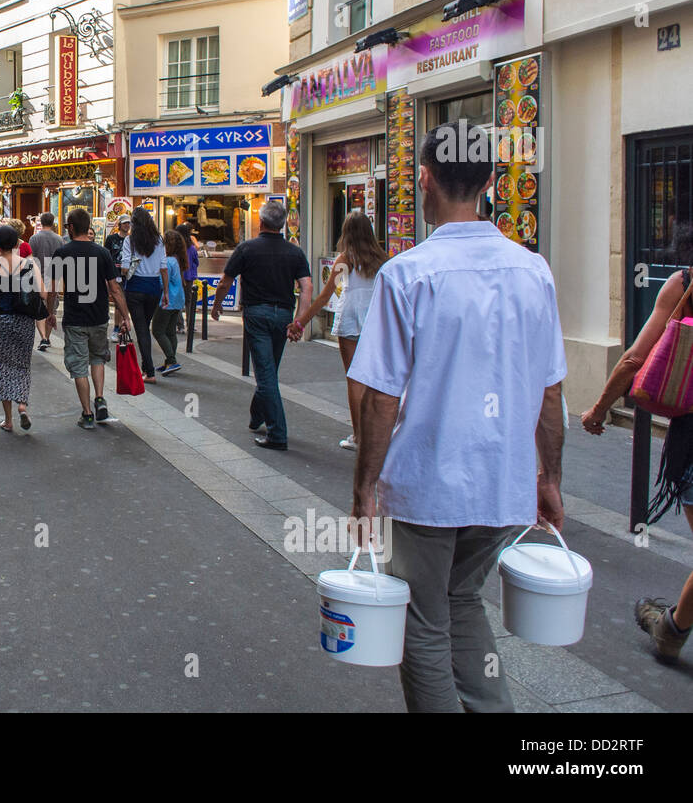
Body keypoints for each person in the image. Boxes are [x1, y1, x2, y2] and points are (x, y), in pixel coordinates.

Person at [347, 122, 567, 713]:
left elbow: (380, 398)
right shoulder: (534, 272)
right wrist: (548, 479)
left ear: (424, 178)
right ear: (491, 181)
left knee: (421, 620)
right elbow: (550, 393)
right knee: (462, 600)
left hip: (427, 485)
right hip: (502, 485)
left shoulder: (408, 274)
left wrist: (364, 489)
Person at [582, 221, 693, 662]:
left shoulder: (684, 283)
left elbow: (634, 358)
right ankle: (671, 628)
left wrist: (598, 409)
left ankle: (670, 628)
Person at [212, 199, 312, 450]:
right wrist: (299, 321)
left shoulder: (247, 249)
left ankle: (278, 434)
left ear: (261, 222)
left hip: (256, 314)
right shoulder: (294, 251)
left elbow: (226, 281)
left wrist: (217, 304)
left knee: (266, 374)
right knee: (269, 369)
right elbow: (307, 286)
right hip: (284, 316)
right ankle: (257, 416)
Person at [290, 211, 388, 451]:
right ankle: (377, 432)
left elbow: (324, 296)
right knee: (376, 379)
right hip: (375, 322)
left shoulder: (346, 259)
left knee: (354, 380)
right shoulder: (383, 260)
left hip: (349, 321)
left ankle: (358, 436)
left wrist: (300, 323)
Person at [52, 207, 131, 428]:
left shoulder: (62, 253)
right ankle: (99, 398)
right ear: (88, 227)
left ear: (70, 227)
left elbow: (52, 288)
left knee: (78, 367)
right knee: (97, 358)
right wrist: (125, 316)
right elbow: (114, 288)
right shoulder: (102, 252)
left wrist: (49, 312)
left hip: (75, 317)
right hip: (99, 316)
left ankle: (87, 414)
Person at [0, 224, 44, 432]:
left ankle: (8, 420)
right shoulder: (29, 264)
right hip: (24, 320)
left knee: (2, 367)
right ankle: (22, 405)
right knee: (23, 364)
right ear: (17, 243)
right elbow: (43, 293)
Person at [122, 208, 170, 385]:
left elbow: (126, 266)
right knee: (145, 327)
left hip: (135, 287)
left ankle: (149, 371)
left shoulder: (130, 241)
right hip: (153, 288)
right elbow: (164, 267)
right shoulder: (159, 240)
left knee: (141, 330)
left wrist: (122, 271)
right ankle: (146, 368)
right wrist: (165, 292)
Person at [151, 229, 188, 375]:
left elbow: (161, 281)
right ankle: (169, 361)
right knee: (170, 331)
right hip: (178, 299)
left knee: (158, 330)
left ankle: (171, 360)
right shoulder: (178, 260)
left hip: (166, 300)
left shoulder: (167, 261)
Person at [29, 212, 64, 351]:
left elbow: (31, 259)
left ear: (41, 223)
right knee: (52, 309)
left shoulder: (34, 238)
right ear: (53, 222)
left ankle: (43, 337)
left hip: (39, 277)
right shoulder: (59, 239)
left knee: (39, 308)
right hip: (55, 277)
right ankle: (47, 338)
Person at [176, 223, 199, 334]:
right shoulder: (192, 248)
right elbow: (196, 262)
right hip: (189, 276)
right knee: (188, 301)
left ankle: (180, 325)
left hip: (177, 277)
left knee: (177, 301)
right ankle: (191, 324)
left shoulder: (175, 247)